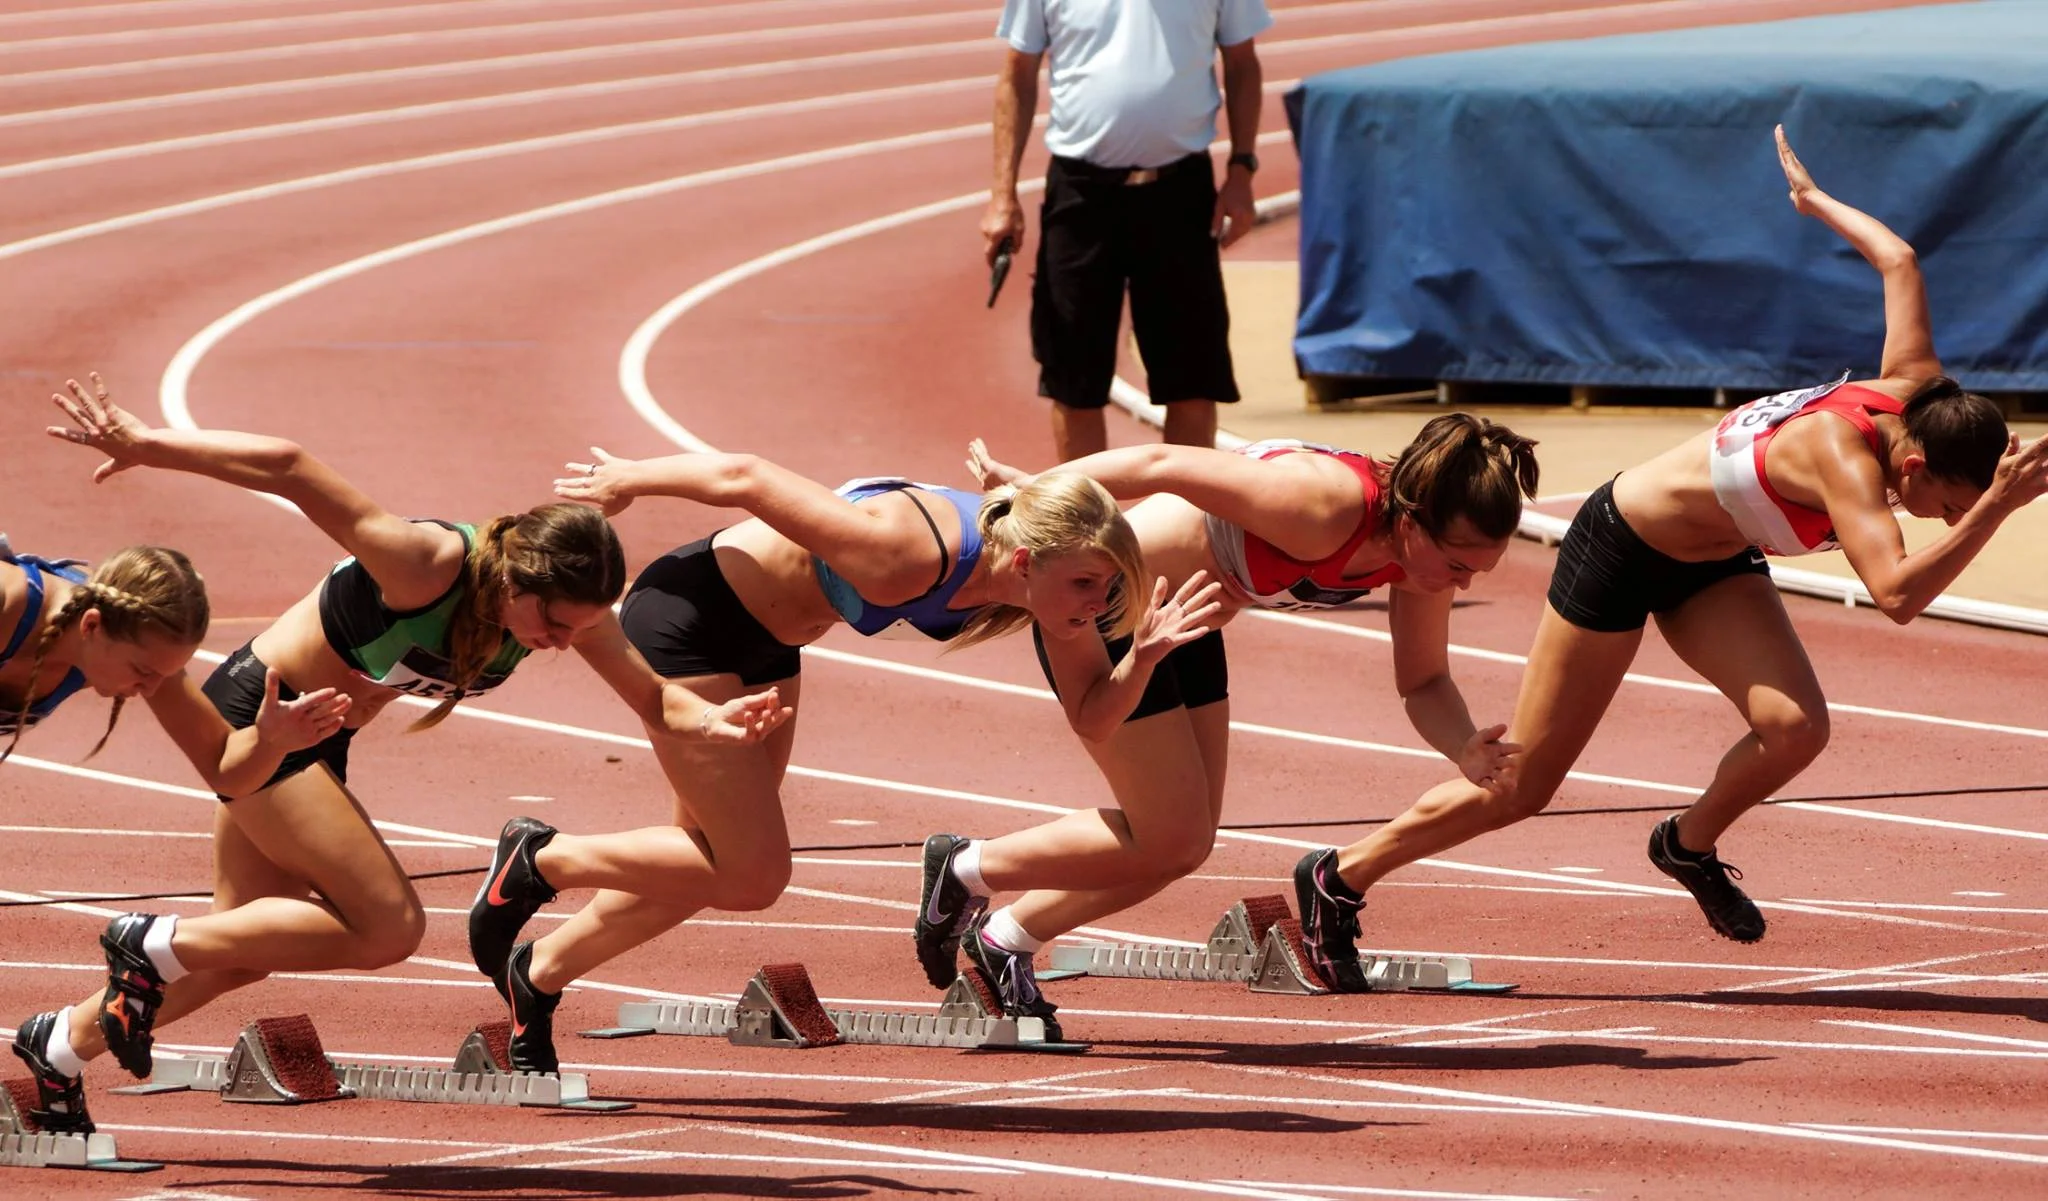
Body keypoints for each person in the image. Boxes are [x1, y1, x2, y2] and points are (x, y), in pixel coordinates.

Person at [1293, 127, 2048, 975]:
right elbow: (1898, 595)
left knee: (1795, 728)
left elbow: (1899, 260)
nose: (1947, 521)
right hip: (1620, 547)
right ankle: (1339, 875)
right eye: (1947, 506)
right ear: (1910, 465)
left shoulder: (1918, 390)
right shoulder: (1843, 461)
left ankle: (1686, 843)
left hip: (1712, 559)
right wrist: (1997, 508)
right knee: (1522, 786)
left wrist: (1814, 203)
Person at [10, 377, 787, 1134]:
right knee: (386, 927)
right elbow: (290, 467)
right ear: (517, 579)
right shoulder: (424, 564)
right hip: (264, 716)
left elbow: (654, 698)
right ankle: (148, 941)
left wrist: (712, 721)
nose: (559, 642)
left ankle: (60, 1045)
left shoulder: (566, 612)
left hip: (317, 736)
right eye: (552, 624)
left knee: (240, 951)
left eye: (574, 630)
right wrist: (150, 445)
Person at [466, 446, 1173, 1072]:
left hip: (769, 644)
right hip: (690, 621)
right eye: (1089, 583)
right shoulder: (906, 552)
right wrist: (631, 479)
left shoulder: (1046, 592)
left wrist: (1141, 659)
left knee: (705, 861)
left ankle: (540, 974)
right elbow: (746, 477)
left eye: (1110, 584)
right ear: (1024, 562)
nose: (1101, 601)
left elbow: (1093, 714)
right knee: (748, 871)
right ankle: (543, 859)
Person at [915, 417, 1540, 1025]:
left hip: (1184, 621)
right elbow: (1161, 463)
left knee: (1183, 846)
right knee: (1169, 837)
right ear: (1411, 522)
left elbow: (1423, 681)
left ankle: (1006, 937)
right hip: (1106, 609)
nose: (1462, 585)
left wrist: (1464, 746)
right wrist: (1040, 494)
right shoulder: (1320, 504)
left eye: (1475, 573)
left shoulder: (1419, 557)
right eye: (1458, 567)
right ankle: (966, 868)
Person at [985, 0, 1272, 462]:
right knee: (1074, 381)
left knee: (1193, 381)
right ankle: (1084, 510)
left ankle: (1189, 508)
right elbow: (1017, 73)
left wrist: (1242, 169)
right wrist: (1003, 195)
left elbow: (1242, 63)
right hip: (1081, 196)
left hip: (1181, 195)